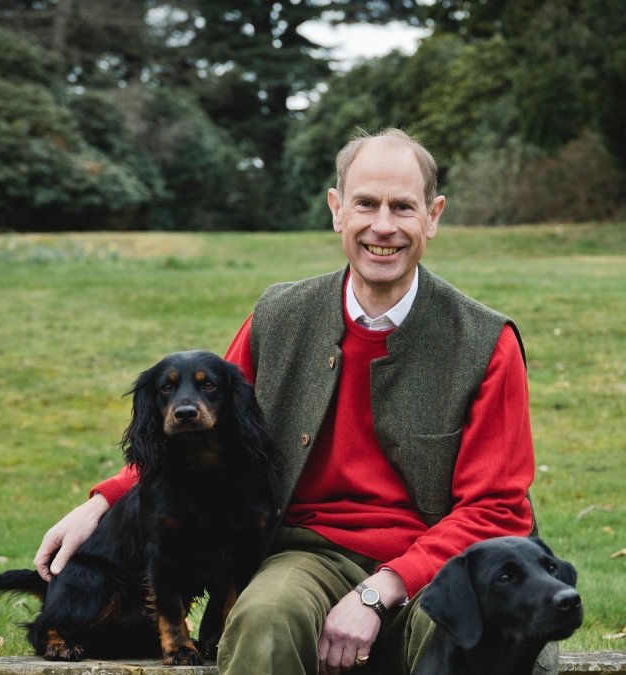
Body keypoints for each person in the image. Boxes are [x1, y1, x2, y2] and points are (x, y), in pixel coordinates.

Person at [34, 128, 547, 674]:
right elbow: (201, 434)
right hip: (307, 553)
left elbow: (495, 509)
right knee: (263, 622)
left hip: (443, 562)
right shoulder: (278, 317)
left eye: (403, 207)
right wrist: (104, 500)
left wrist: (379, 592)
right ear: (336, 209)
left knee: (486, 639)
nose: (383, 226)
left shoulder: (486, 342)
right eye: (365, 204)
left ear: (433, 215)